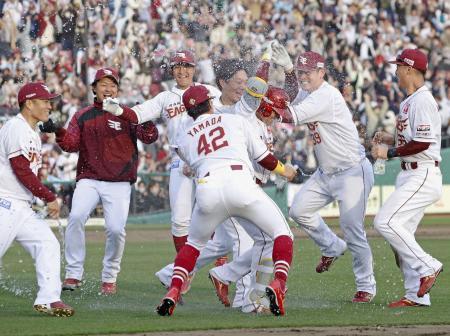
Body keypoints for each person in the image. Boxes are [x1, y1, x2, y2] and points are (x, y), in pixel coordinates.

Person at [156, 83, 296, 317]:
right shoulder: (234, 120)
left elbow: (191, 162)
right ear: (210, 102)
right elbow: (265, 159)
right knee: (282, 234)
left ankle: (174, 289)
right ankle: (278, 283)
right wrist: (286, 172)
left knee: (193, 246)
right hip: (240, 183)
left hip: (207, 189)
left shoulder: (183, 137)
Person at [272, 47, 377, 303]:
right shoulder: (310, 91)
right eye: (300, 71)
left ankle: (366, 286)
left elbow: (289, 114)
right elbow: (293, 98)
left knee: (353, 230)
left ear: (321, 72)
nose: (303, 76)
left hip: (352, 172)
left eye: (308, 72)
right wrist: (288, 72)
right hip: (326, 172)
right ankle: (331, 246)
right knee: (298, 210)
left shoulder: (325, 96)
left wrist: (260, 98)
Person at [49, 68, 158, 295]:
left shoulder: (128, 114)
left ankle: (109, 277)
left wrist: (145, 118)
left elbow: (149, 137)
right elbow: (70, 144)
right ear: (94, 89)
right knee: (76, 217)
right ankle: (73, 273)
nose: (108, 89)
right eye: (103, 85)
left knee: (116, 230)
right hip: (89, 177)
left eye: (113, 85)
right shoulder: (82, 115)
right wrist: (58, 131)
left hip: (119, 181)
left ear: (117, 90)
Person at [103, 50, 221, 254]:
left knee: (213, 215)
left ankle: (220, 270)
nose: (182, 71)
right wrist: (119, 110)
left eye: (187, 66)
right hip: (179, 159)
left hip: (207, 157)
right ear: (172, 70)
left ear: (194, 69)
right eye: (178, 66)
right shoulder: (165, 97)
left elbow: (228, 114)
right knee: (179, 220)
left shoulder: (209, 91)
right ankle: (185, 271)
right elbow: (139, 114)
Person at [371, 49, 443, 308]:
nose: (396, 71)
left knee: (385, 222)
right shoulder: (409, 101)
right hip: (410, 172)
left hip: (422, 172)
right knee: (400, 240)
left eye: (399, 66)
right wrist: (390, 138)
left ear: (410, 69)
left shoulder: (423, 100)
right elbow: (414, 138)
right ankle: (416, 295)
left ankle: (429, 266)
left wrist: (389, 152)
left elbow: (423, 142)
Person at [0, 82, 74, 317]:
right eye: (44, 101)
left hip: (21, 207)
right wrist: (49, 197)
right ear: (29, 103)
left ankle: (49, 299)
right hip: (5, 203)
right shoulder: (16, 127)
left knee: (47, 243)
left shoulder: (33, 132)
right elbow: (20, 169)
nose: (49, 106)